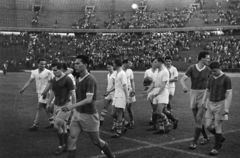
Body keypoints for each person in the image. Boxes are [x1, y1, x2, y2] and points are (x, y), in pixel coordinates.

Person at [61, 55, 115, 158]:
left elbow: (88, 100)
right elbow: (77, 95)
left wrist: (71, 106)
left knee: (96, 141)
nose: (75, 65)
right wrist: (72, 107)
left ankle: (111, 156)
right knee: (72, 138)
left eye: (78, 63)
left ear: (85, 65)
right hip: (77, 113)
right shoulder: (78, 77)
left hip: (89, 115)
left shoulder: (90, 79)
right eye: (75, 63)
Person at [180, 51, 211, 149]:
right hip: (193, 94)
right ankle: (206, 137)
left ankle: (194, 142)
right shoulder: (192, 68)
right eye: (207, 58)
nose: (208, 60)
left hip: (204, 95)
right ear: (202, 58)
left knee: (198, 118)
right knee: (197, 120)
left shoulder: (209, 70)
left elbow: (212, 82)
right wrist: (184, 86)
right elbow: (182, 79)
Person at [201, 61, 231, 155]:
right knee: (207, 125)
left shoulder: (226, 78)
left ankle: (215, 148)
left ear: (219, 68)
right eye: (211, 71)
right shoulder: (211, 78)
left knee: (218, 125)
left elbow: (229, 93)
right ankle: (220, 138)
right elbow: (207, 90)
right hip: (210, 103)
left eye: (214, 71)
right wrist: (203, 100)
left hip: (220, 104)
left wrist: (226, 108)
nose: (213, 73)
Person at [46, 62, 76, 155]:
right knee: (63, 127)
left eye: (55, 70)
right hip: (56, 105)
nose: (54, 72)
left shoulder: (67, 79)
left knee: (56, 126)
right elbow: (52, 92)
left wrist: (73, 107)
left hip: (65, 105)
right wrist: (48, 103)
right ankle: (66, 145)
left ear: (61, 69)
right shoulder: (54, 79)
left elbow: (73, 94)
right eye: (53, 70)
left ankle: (61, 146)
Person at [20, 58, 54, 131]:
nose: (43, 65)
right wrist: (23, 89)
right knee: (46, 108)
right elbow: (30, 81)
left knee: (39, 107)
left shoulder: (48, 72)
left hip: (46, 92)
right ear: (38, 64)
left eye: (44, 64)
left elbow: (50, 83)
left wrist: (46, 92)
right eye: (41, 64)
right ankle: (53, 122)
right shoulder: (34, 72)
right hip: (39, 92)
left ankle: (35, 124)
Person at [143, 57, 171, 134]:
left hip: (162, 93)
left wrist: (156, 94)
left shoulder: (165, 71)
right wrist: (147, 91)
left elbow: (163, 85)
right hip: (156, 92)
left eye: (156, 62)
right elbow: (153, 83)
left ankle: (168, 123)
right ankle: (161, 129)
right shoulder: (157, 71)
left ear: (160, 62)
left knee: (159, 112)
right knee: (155, 111)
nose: (154, 63)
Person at [110, 58, 129, 138]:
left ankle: (118, 132)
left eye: (114, 63)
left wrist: (127, 98)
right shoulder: (117, 73)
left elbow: (125, 86)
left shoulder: (122, 74)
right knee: (113, 113)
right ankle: (125, 123)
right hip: (116, 96)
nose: (113, 65)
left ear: (116, 64)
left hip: (121, 96)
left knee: (119, 113)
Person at [164, 56, 179, 129]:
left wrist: (167, 80)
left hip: (171, 87)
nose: (168, 62)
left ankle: (169, 115)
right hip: (164, 87)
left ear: (171, 62)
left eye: (169, 61)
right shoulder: (163, 68)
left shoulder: (174, 69)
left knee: (168, 101)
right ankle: (168, 115)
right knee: (165, 102)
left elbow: (176, 79)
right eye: (166, 61)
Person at [100, 62, 116, 126]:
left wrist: (109, 91)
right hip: (108, 93)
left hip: (114, 94)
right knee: (105, 106)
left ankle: (115, 124)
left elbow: (115, 85)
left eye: (110, 67)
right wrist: (107, 91)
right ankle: (101, 119)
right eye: (107, 67)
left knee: (114, 111)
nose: (108, 68)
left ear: (113, 66)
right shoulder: (108, 74)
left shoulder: (115, 74)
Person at [143, 59, 158, 125]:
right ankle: (153, 118)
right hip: (150, 90)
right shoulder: (147, 71)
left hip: (158, 90)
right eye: (154, 62)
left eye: (157, 62)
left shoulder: (159, 71)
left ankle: (153, 118)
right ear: (151, 63)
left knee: (156, 105)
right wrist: (146, 86)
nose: (156, 63)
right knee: (153, 105)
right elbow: (144, 82)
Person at [122, 59, 136, 128]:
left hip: (129, 90)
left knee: (129, 107)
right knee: (121, 108)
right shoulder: (119, 71)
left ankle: (132, 120)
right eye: (129, 63)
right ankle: (122, 122)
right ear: (125, 63)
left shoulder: (130, 71)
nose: (131, 64)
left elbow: (132, 80)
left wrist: (133, 90)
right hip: (121, 91)